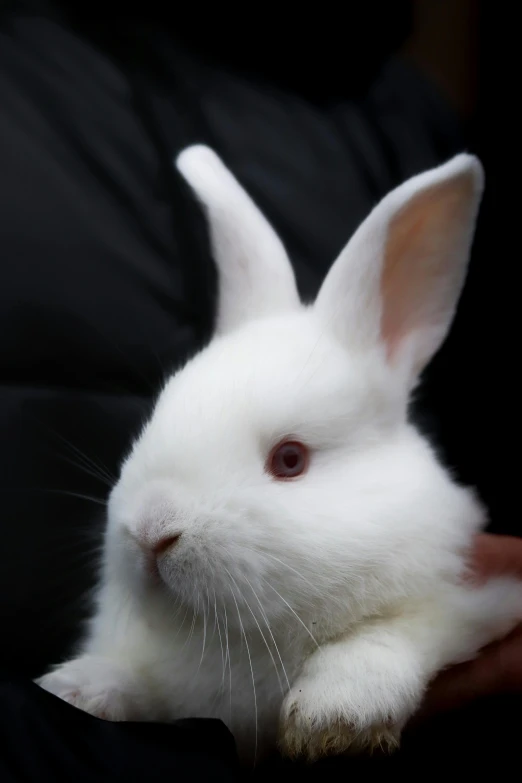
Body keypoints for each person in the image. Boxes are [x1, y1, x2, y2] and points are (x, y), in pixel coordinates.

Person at [1, 1, 519, 780]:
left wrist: (388, 649)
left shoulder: (386, 105)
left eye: (286, 458)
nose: (155, 525)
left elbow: (477, 607)